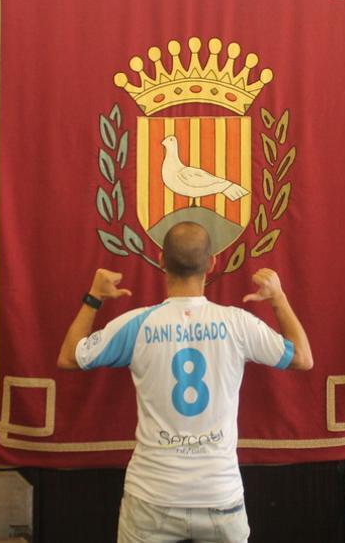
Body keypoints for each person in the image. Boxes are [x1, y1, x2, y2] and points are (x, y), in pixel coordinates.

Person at [57, 221, 313, 543]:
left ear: (162, 261)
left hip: (152, 495)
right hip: (220, 495)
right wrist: (278, 298)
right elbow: (303, 358)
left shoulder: (136, 325)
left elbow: (69, 357)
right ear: (212, 264)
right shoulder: (238, 323)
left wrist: (94, 296)